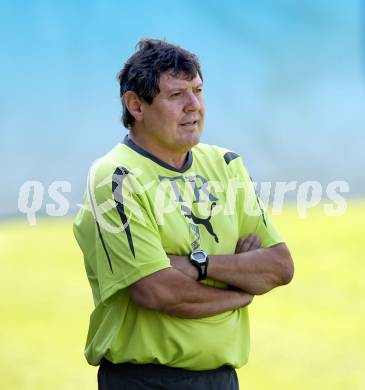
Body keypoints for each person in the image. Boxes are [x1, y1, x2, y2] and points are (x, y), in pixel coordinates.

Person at [73, 38, 294, 390]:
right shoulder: (116, 178)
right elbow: (157, 291)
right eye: (176, 95)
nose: (194, 106)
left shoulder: (226, 165)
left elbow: (280, 266)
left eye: (198, 91)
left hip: (222, 379)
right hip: (146, 381)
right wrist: (240, 291)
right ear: (136, 106)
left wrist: (198, 264)